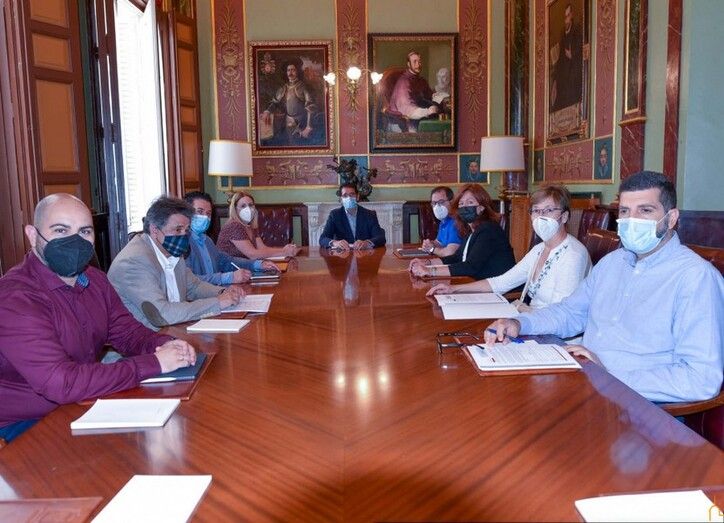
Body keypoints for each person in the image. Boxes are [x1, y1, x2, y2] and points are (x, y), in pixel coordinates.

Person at [485, 171, 724, 403]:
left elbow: (701, 379)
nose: (632, 220)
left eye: (645, 210)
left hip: (641, 407)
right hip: (585, 384)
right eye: (625, 211)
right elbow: (570, 312)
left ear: (671, 218)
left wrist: (608, 375)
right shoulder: (612, 263)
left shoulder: (696, 278)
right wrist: (519, 324)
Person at [0, 194, 196, 443]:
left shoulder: (95, 280)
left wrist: (166, 344)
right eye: (60, 230)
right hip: (23, 423)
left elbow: (128, 333)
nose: (75, 241)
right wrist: (155, 363)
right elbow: (62, 383)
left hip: (82, 401)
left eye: (84, 231)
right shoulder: (16, 298)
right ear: (32, 235)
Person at [427, 185, 591, 312]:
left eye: (548, 210)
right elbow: (501, 282)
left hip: (555, 336)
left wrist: (519, 321)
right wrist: (453, 289)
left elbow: (562, 316)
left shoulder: (573, 255)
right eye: (536, 211)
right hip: (531, 321)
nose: (541, 217)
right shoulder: (539, 249)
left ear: (564, 216)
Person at [108, 196, 244, 330]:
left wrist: (223, 292)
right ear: (155, 230)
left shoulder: (171, 252)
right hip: (144, 337)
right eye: (178, 229)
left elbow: (194, 287)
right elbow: (162, 314)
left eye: (186, 230)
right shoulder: (133, 262)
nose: (183, 235)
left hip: (174, 328)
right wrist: (217, 303)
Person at [409, 184, 515, 280]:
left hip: (501, 291)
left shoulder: (488, 230)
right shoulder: (471, 231)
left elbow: (470, 267)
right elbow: (457, 258)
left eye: (470, 202)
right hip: (480, 284)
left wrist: (430, 271)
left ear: (481, 207)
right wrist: (427, 263)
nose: (464, 207)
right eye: (461, 204)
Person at [183, 191, 279, 285]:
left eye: (208, 213)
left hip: (218, 291)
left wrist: (257, 264)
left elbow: (226, 261)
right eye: (199, 212)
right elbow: (188, 282)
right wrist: (229, 277)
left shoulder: (207, 240)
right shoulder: (182, 243)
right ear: (186, 213)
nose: (205, 217)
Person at [217, 191, 300, 260]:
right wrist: (284, 252)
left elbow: (262, 249)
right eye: (243, 206)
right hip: (230, 271)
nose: (248, 209)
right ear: (235, 209)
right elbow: (253, 254)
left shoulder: (251, 226)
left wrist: (285, 249)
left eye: (250, 205)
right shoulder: (234, 226)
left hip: (245, 267)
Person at [261, 59, 322, 146]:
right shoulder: (284, 88)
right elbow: (275, 102)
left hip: (302, 123)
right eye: (288, 70)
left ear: (297, 71)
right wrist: (267, 111)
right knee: (290, 145)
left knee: (302, 147)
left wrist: (309, 127)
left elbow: (311, 107)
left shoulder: (303, 87)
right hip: (288, 123)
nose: (290, 72)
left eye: (293, 70)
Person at [319, 183, 387, 250]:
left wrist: (367, 243)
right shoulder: (335, 215)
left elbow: (380, 237)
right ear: (341, 199)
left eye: (352, 194)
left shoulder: (369, 214)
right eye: (345, 195)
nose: (349, 198)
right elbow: (323, 238)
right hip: (342, 254)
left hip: (363, 254)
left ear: (357, 197)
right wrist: (335, 243)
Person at [387, 50, 440, 132]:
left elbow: (429, 96)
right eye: (414, 62)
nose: (418, 65)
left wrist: (436, 97)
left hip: (417, 119)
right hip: (401, 124)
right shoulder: (403, 82)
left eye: (419, 62)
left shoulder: (421, 80)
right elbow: (407, 109)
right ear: (409, 64)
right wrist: (427, 111)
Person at [550, 2, 583, 112]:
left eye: (568, 16)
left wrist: (572, 53)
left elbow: (580, 49)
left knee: (571, 84)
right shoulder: (563, 34)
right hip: (564, 71)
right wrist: (555, 78)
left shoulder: (577, 30)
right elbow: (560, 57)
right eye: (565, 17)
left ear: (571, 15)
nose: (566, 19)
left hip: (573, 69)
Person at [421, 186, 463, 258]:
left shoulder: (456, 222)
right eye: (434, 203)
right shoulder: (444, 220)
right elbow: (440, 243)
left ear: (452, 202)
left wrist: (432, 249)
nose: (437, 206)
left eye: (441, 202)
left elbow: (450, 253)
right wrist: (429, 244)